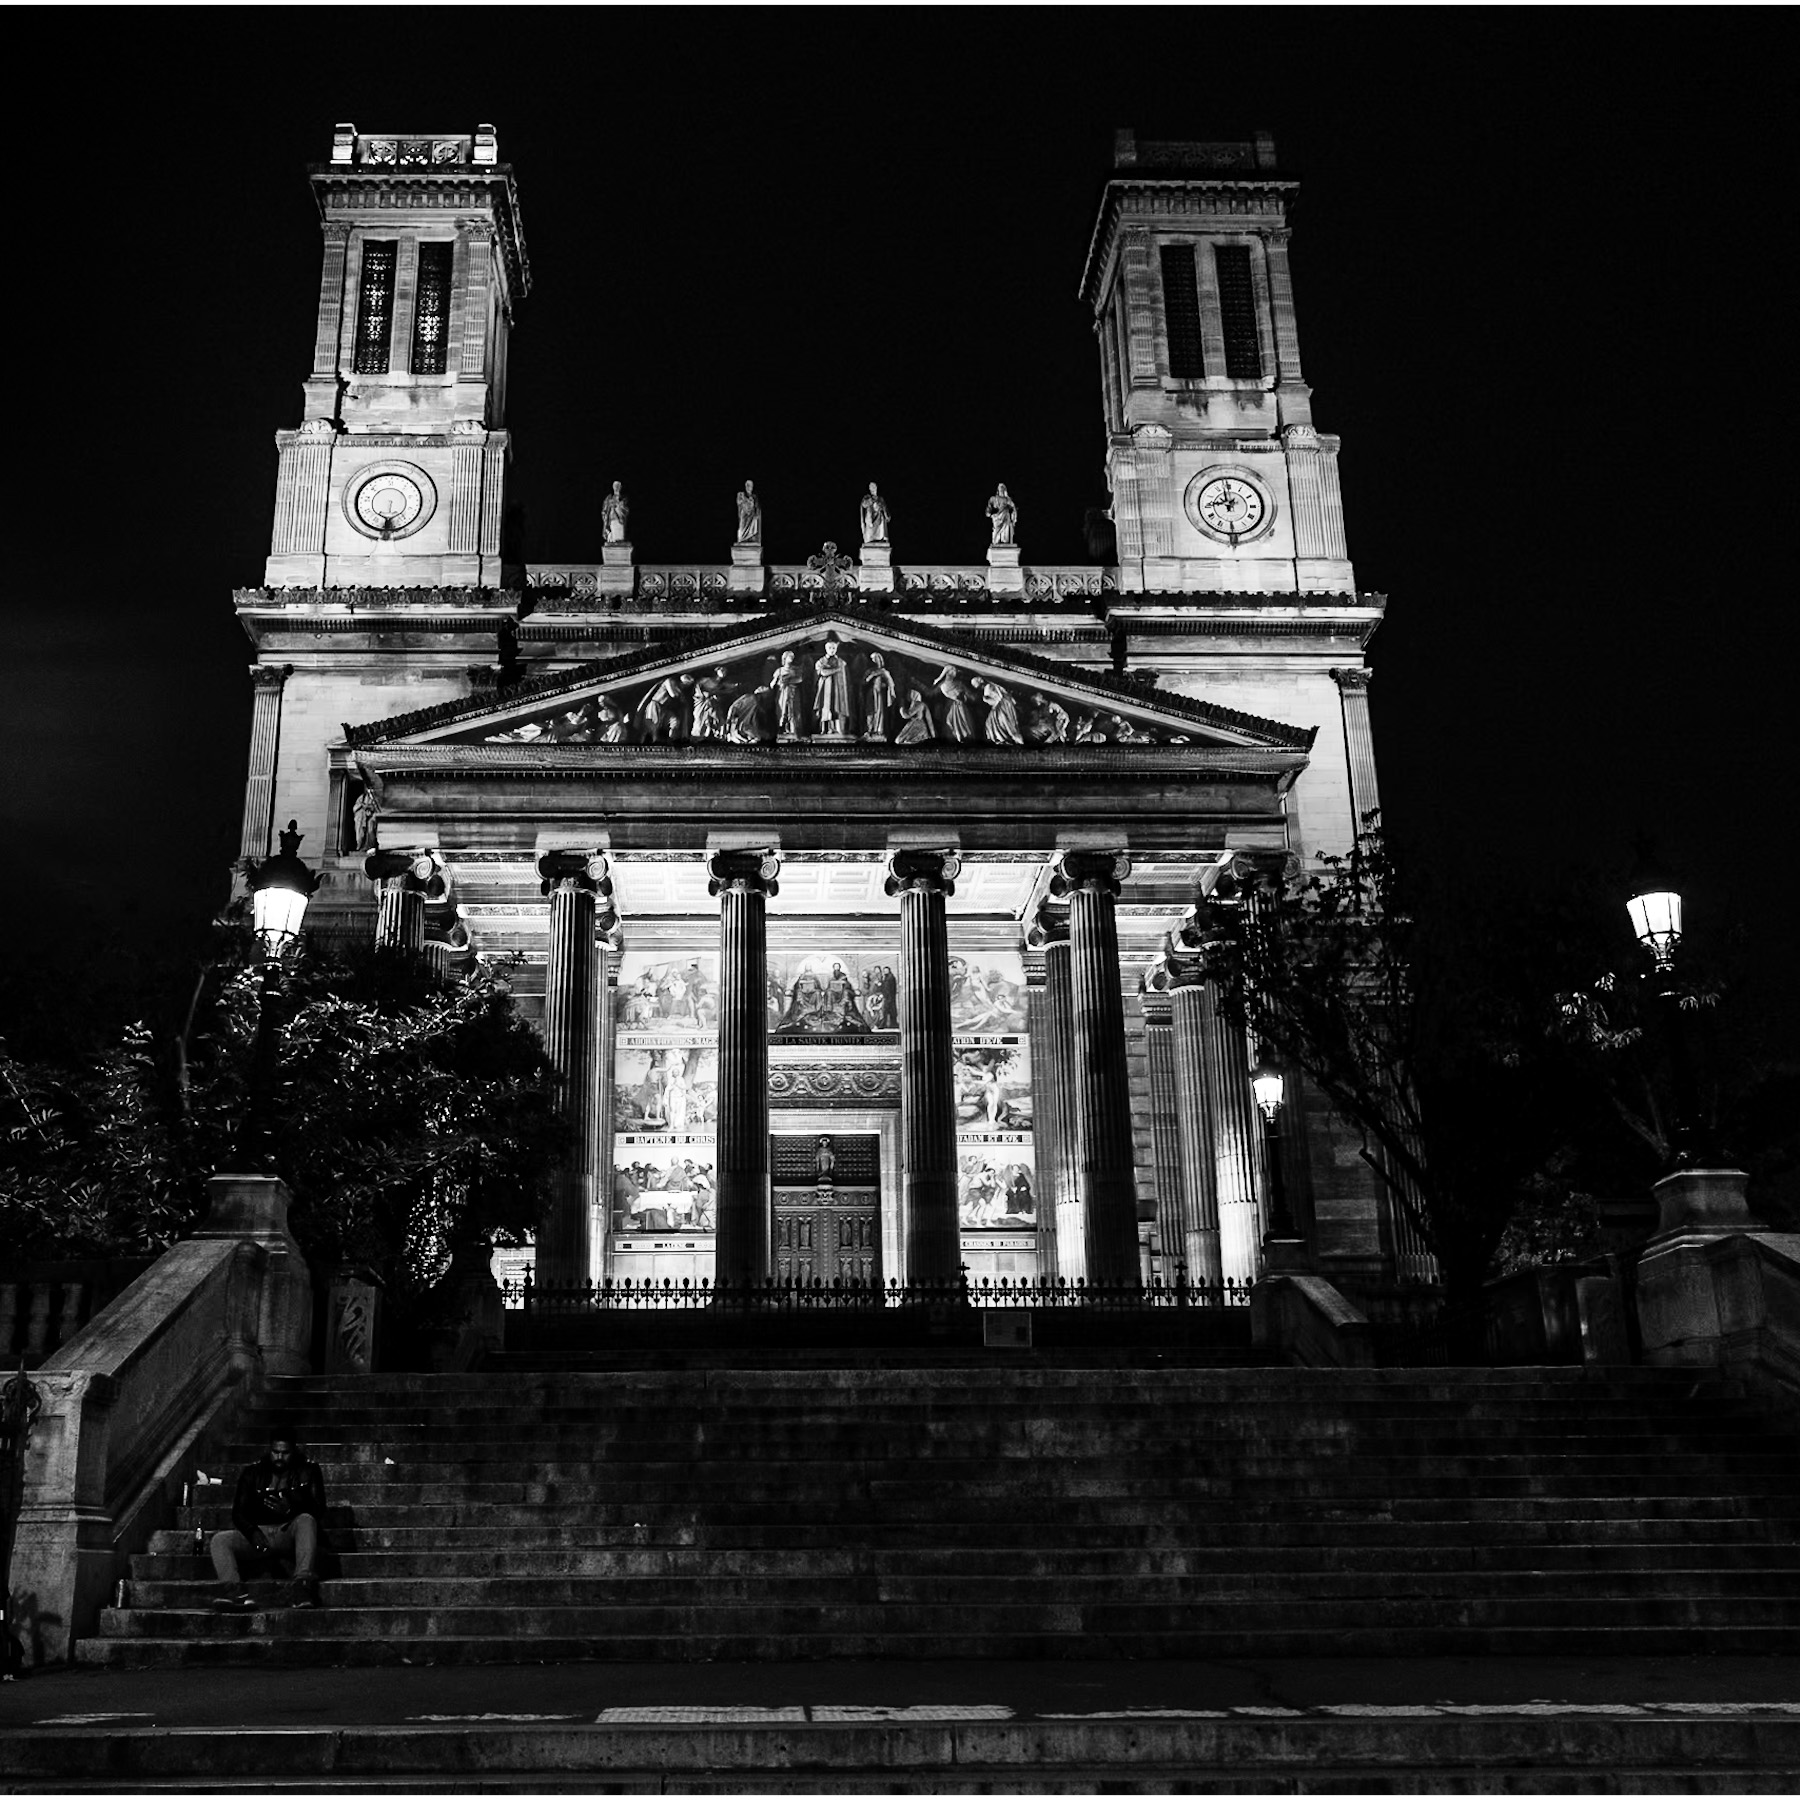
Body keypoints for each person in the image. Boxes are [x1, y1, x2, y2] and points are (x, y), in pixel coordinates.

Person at [210, 1427, 327, 1610]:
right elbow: (238, 1512)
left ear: (293, 1451)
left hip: (289, 1532)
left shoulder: (309, 1470)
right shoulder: (253, 1472)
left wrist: (290, 1509)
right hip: (260, 1533)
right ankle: (234, 1592)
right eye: (275, 1452)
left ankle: (302, 1587)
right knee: (219, 1540)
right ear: (269, 1450)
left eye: (285, 1453)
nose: (279, 1457)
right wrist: (252, 1531)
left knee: (306, 1520)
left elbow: (319, 1510)